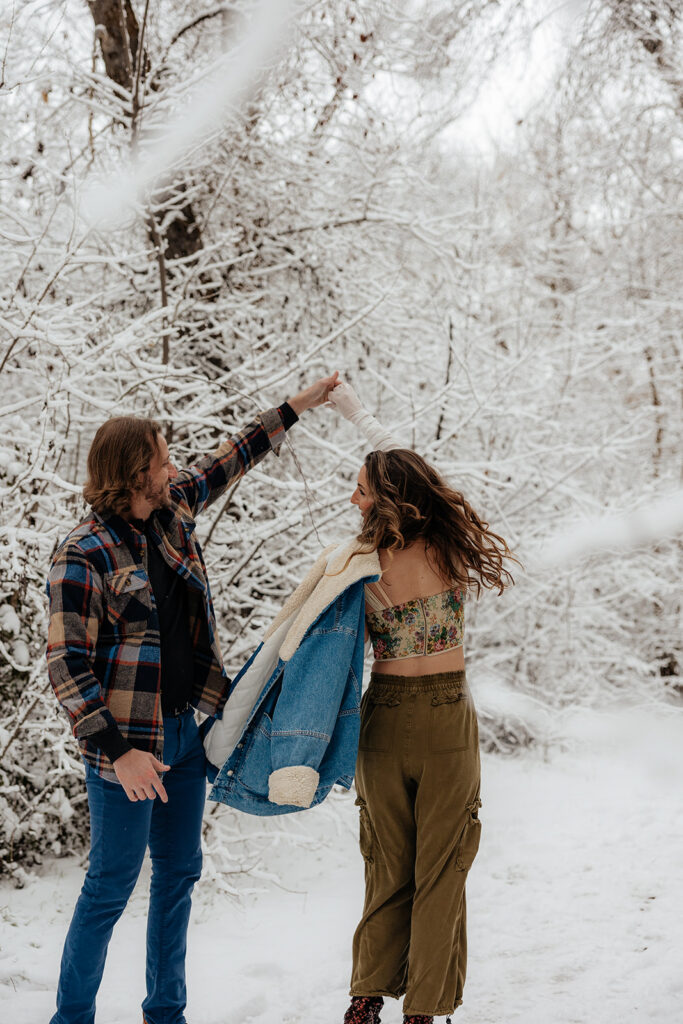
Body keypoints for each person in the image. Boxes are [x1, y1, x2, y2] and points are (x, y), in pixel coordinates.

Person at [45, 372, 338, 1024]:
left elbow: (227, 459)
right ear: (132, 474)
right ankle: (70, 1018)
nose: (172, 467)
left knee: (178, 877)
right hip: (128, 753)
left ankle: (166, 1013)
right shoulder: (82, 553)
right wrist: (117, 752)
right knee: (110, 887)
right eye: (159, 459)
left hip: (185, 737)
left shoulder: (172, 509)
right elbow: (65, 664)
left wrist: (296, 406)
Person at [329, 382, 519, 1024]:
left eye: (360, 488)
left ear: (385, 498)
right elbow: (410, 463)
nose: (351, 498)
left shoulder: (358, 561)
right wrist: (355, 413)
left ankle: (366, 999)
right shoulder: (449, 543)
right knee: (441, 867)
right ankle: (424, 1010)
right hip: (445, 719)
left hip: (384, 718)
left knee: (386, 861)